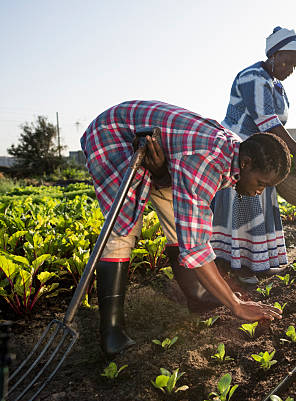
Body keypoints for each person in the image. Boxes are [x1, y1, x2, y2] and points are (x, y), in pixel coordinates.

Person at [81, 100, 284, 355]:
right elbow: (197, 246)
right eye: (260, 183)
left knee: (179, 225)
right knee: (122, 229)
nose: (258, 191)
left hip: (159, 152)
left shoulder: (234, 151)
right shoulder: (205, 162)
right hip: (112, 136)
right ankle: (111, 332)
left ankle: (197, 296)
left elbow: (189, 227)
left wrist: (161, 174)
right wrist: (236, 305)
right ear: (245, 163)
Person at [211, 26, 296, 285]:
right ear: (273, 55)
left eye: (295, 65)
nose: (290, 68)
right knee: (244, 206)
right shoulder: (253, 77)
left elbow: (275, 125)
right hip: (240, 151)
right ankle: (240, 266)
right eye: (287, 61)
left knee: (258, 204)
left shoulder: (275, 84)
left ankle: (259, 262)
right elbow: (267, 121)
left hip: (263, 152)